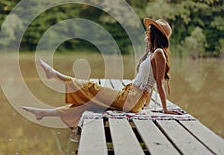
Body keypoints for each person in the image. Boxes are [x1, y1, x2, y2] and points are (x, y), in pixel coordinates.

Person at [23, 18, 182, 128]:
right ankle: (43, 113)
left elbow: (158, 83)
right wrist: (145, 105)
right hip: (131, 96)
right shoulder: (152, 53)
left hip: (132, 99)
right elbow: (149, 82)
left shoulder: (159, 53)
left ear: (155, 34)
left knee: (92, 87)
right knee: (87, 104)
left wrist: (165, 109)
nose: (146, 32)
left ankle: (55, 75)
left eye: (149, 30)